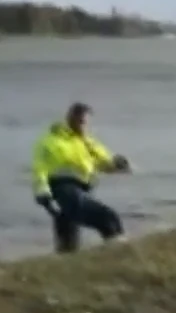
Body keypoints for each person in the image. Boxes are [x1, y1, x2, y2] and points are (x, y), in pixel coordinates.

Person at [31, 103, 132, 253]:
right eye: (79, 121)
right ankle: (119, 255)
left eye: (85, 122)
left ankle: (67, 265)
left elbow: (103, 162)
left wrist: (117, 164)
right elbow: (40, 168)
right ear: (70, 118)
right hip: (62, 190)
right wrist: (43, 193)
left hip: (82, 189)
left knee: (68, 239)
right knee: (108, 219)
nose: (82, 125)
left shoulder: (87, 142)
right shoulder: (50, 140)